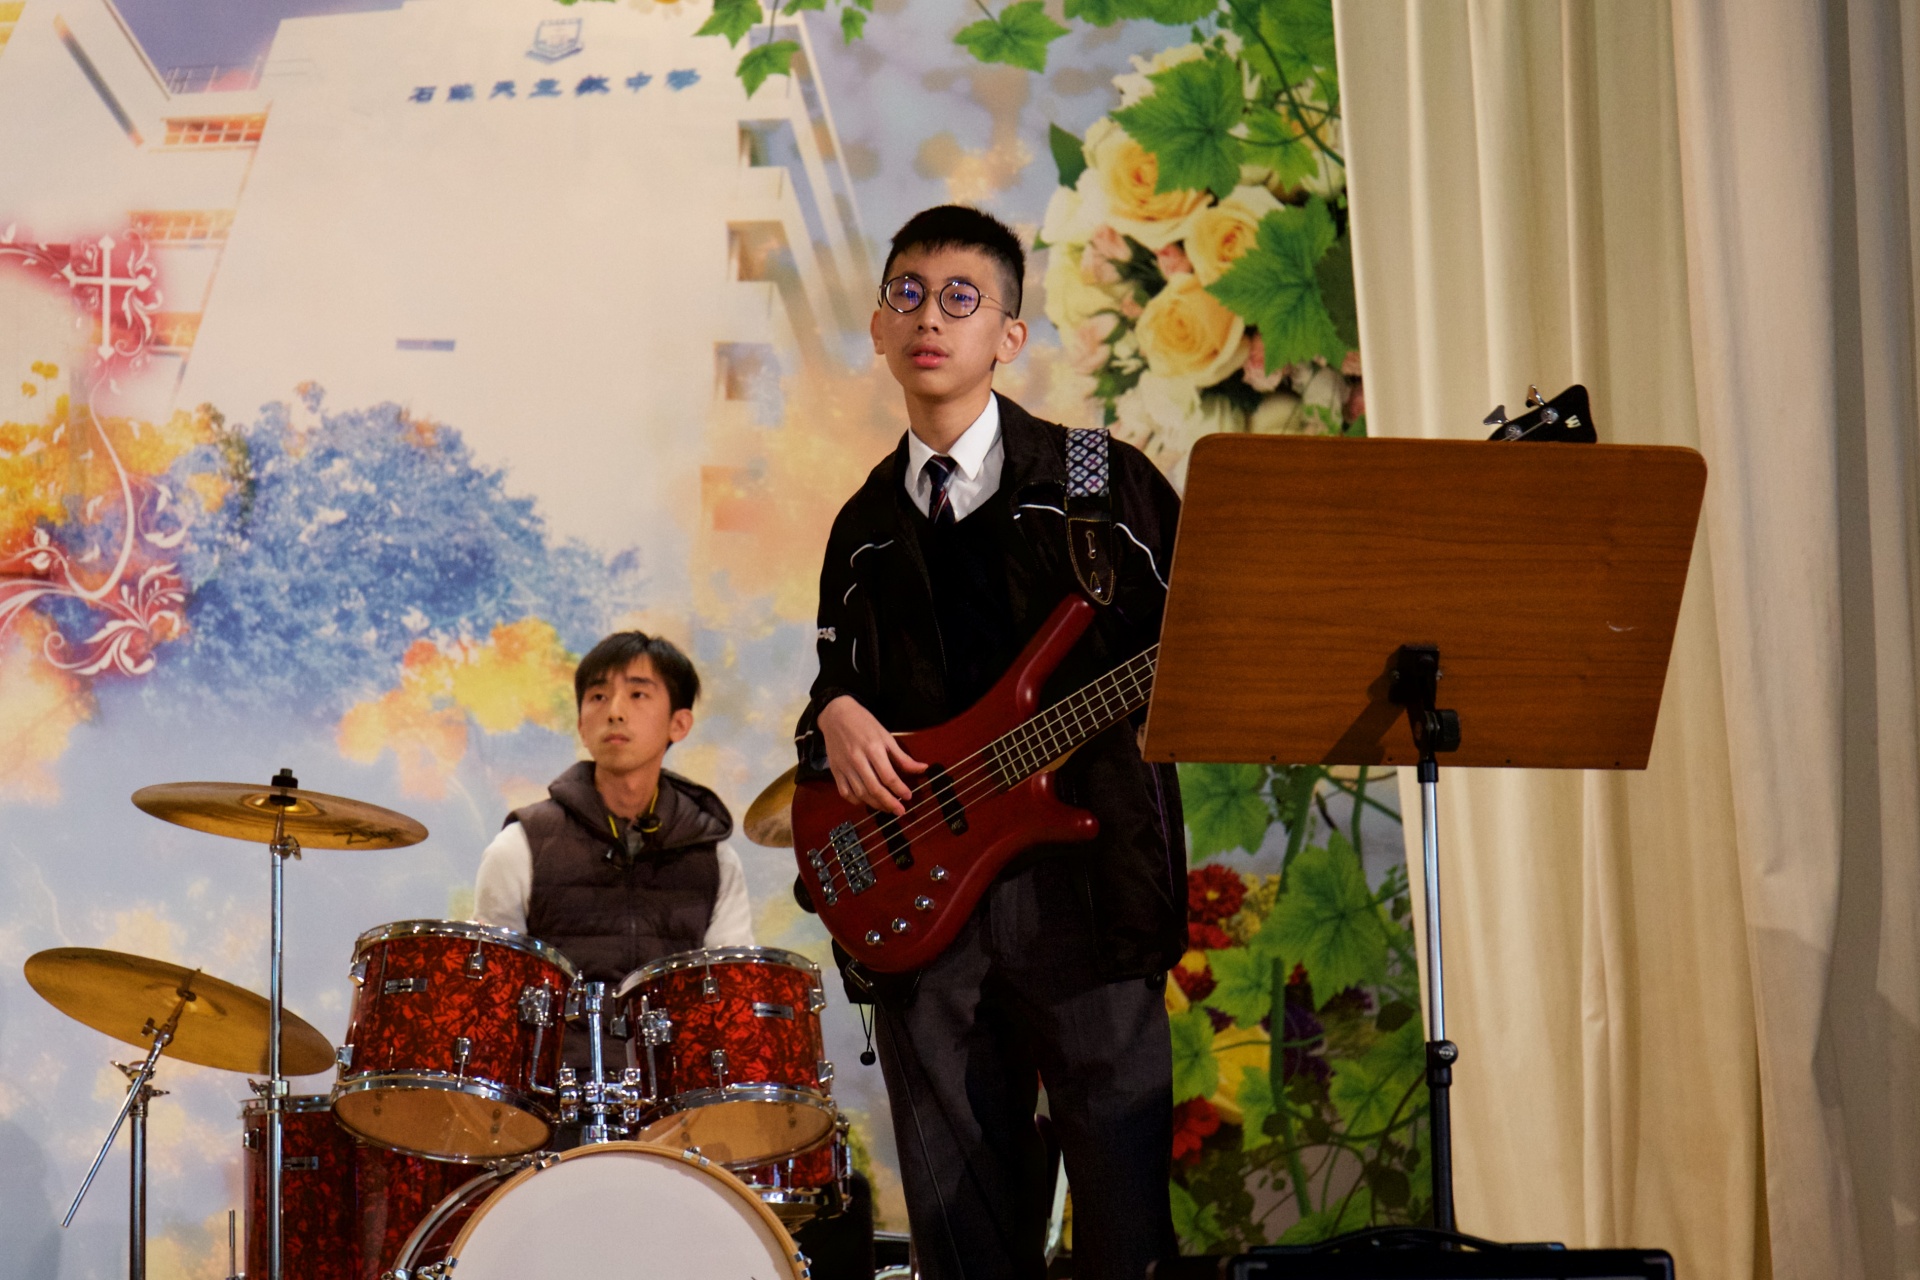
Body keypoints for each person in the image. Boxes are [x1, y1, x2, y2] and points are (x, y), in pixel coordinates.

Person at [794, 205, 1187, 1280]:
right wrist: (831, 712)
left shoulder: (1102, 483)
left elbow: (1195, 647)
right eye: (909, 294)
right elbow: (834, 693)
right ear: (879, 327)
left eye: (961, 297)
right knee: (962, 1245)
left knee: (1125, 1237)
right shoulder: (861, 527)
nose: (932, 317)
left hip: (1090, 896)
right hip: (929, 915)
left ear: (1010, 334)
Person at [474, 630, 754, 1076]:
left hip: (674, 1099)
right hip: (553, 1099)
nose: (615, 711)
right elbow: (490, 998)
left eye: (638, 694)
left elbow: (730, 999)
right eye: (598, 697)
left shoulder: (715, 861)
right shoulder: (521, 846)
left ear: (679, 724)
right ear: (581, 726)